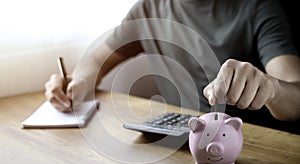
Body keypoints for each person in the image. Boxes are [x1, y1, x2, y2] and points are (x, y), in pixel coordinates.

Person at [45, 0, 300, 133]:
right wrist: (78, 81)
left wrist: (272, 88)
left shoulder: (257, 7)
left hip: (245, 145)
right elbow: (96, 60)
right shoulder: (149, 8)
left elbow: (296, 100)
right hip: (178, 138)